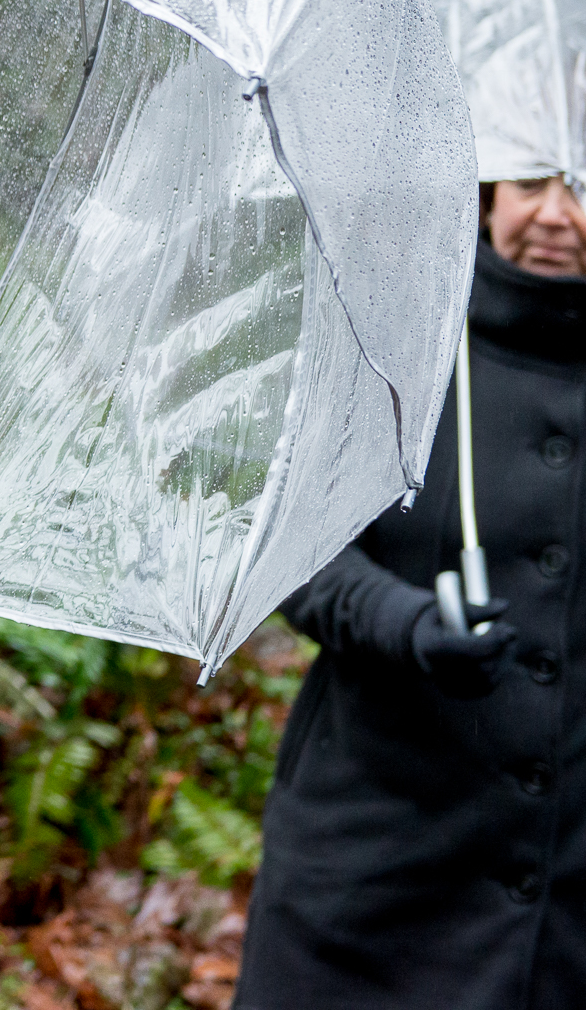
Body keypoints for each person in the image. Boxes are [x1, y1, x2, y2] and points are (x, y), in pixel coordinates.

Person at [242, 176, 586, 1009]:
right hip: (371, 888)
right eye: (532, 180)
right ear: (490, 190)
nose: (551, 211)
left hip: (560, 908)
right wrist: (407, 624)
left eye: (580, 185)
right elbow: (297, 551)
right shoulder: (397, 334)